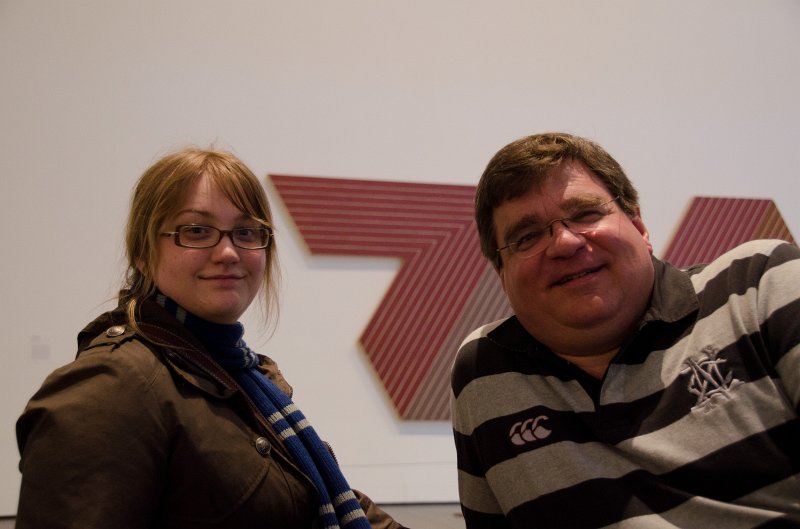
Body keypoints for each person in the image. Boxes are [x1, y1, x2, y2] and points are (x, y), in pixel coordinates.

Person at [16, 148, 406, 529]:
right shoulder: (112, 386)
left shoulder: (245, 378)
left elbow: (315, 500)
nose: (228, 251)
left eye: (246, 231)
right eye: (197, 230)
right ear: (142, 251)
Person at [451, 132, 800, 528]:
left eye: (585, 214)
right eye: (527, 236)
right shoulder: (485, 372)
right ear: (501, 272)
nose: (564, 242)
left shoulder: (760, 285)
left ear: (639, 224)